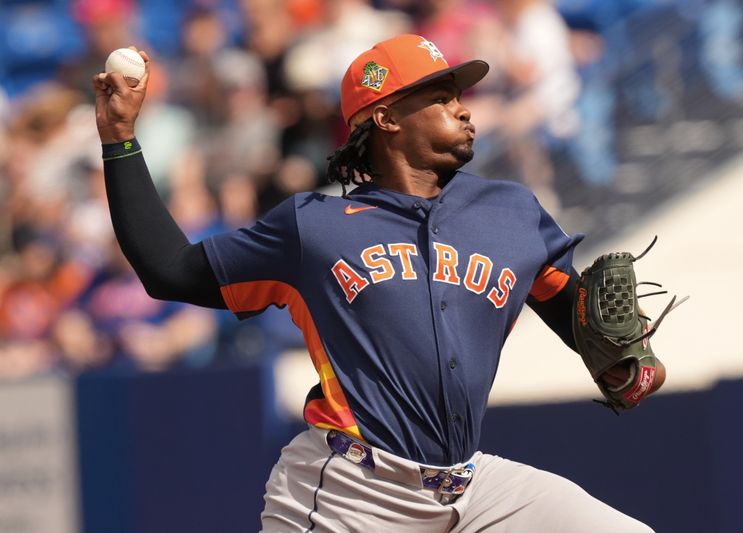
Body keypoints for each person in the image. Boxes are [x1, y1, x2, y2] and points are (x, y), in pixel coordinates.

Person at [93, 35, 663, 532]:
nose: (464, 111)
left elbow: (577, 314)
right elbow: (169, 270)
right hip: (348, 491)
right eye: (441, 99)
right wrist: (119, 136)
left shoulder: (512, 212)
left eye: (459, 97)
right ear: (386, 117)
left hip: (470, 485)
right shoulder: (311, 227)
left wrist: (622, 361)